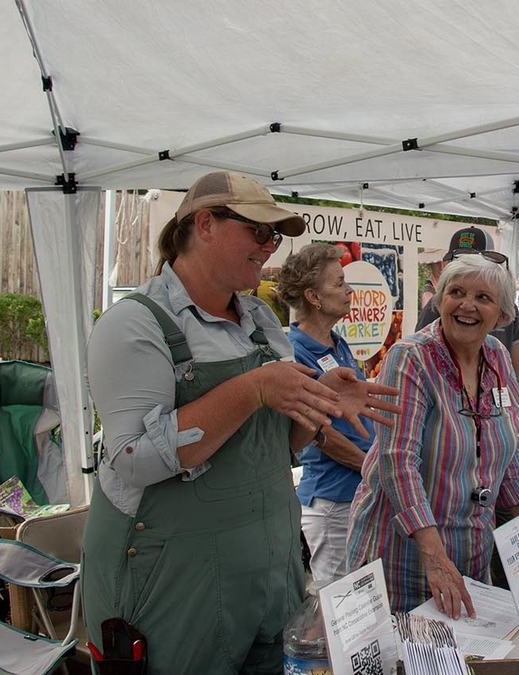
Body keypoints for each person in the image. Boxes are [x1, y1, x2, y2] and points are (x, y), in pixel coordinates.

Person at [82, 171, 399, 674]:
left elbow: (278, 449)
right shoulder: (135, 325)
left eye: (274, 236)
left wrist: (318, 406)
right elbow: (133, 460)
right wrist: (252, 389)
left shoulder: (260, 319)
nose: (269, 247)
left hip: (269, 584)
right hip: (173, 596)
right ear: (204, 224)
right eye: (259, 232)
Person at [346, 254, 519, 617]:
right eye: (457, 292)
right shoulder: (410, 358)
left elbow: (507, 454)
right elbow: (397, 461)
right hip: (401, 562)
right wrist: (434, 557)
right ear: (440, 300)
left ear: (503, 315)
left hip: (470, 559)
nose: (467, 305)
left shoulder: (496, 356)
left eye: (483, 298)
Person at [276, 243, 375, 588]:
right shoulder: (295, 351)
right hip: (333, 499)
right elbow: (319, 433)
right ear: (313, 297)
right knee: (341, 605)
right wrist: (371, 467)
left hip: (356, 491)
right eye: (339, 284)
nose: (349, 291)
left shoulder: (337, 343)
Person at [416, 226, 519, 404]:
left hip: (497, 409)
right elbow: (421, 352)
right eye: (459, 261)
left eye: (483, 297)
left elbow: (516, 367)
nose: (467, 305)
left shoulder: (501, 335)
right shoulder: (437, 306)